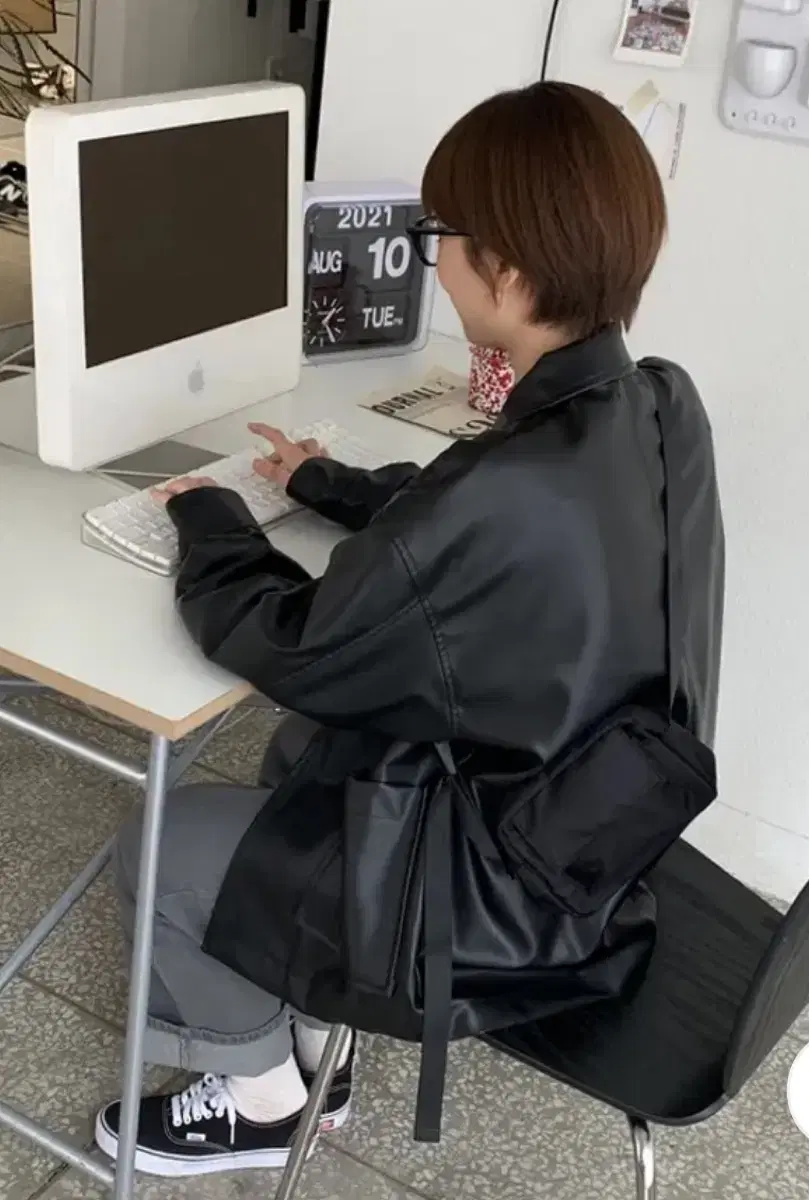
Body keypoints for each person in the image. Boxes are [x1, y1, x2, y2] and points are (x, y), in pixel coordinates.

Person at [94, 80, 724, 1178]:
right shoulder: (655, 404)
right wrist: (328, 484)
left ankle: (260, 1101)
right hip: (588, 834)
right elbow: (474, 536)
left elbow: (291, 644)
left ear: (507, 270)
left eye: (443, 237)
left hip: (506, 901)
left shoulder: (506, 486)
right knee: (304, 758)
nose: (433, 260)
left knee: (160, 843)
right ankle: (310, 1047)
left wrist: (211, 520)